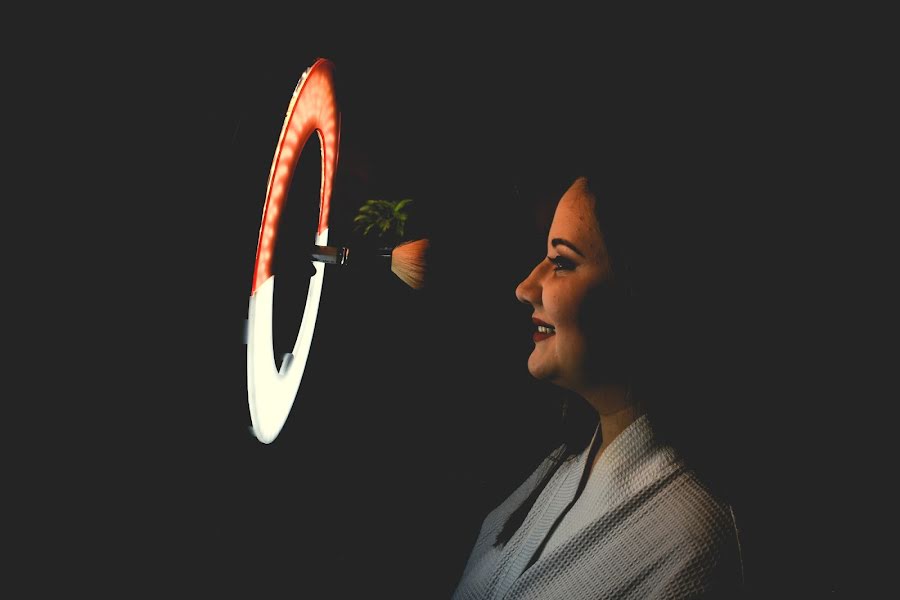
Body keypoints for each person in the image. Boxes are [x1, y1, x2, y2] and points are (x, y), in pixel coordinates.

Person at [450, 158, 746, 599]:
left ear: (639, 289)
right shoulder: (560, 467)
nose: (526, 287)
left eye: (562, 262)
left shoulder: (694, 539)